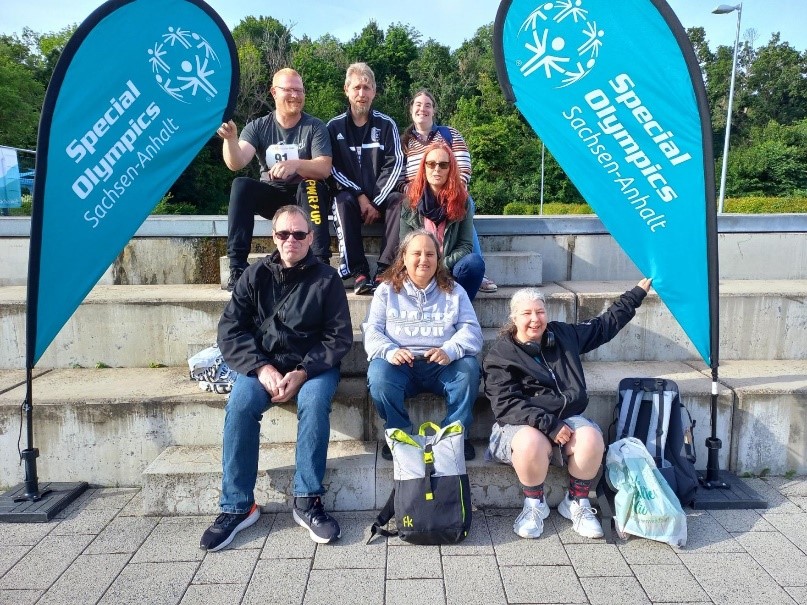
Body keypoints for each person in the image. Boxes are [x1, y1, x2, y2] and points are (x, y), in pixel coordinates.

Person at [200, 205, 353, 551]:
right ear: (274, 236)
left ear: (311, 238)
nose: (292, 240)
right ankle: (237, 506)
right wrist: (260, 368)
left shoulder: (326, 279)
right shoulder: (255, 276)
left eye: (300, 234)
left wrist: (302, 372)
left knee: (314, 403)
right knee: (239, 405)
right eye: (284, 234)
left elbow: (338, 336)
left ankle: (306, 499)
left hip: (313, 367)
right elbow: (230, 330)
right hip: (263, 366)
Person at [483, 279, 652, 539]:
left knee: (591, 438)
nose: (535, 319)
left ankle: (576, 502)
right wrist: (548, 425)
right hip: (519, 425)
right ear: (514, 318)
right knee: (532, 443)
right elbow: (506, 404)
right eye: (526, 313)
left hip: (566, 417)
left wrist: (635, 295)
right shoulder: (501, 354)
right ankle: (534, 505)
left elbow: (603, 327)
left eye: (540, 312)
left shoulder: (562, 335)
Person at [363, 229, 483, 461]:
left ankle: (452, 438)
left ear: (438, 259)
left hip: (441, 367)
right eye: (416, 253)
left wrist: (450, 350)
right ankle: (400, 434)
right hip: (402, 367)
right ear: (404, 258)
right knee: (378, 373)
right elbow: (372, 331)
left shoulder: (454, 290)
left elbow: (472, 331)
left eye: (430, 254)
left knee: (469, 368)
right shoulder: (386, 291)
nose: (423, 259)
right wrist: (390, 351)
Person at [217, 68, 332, 291]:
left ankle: (319, 262)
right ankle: (237, 267)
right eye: (289, 90)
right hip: (273, 196)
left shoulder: (315, 127)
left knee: (311, 186)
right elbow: (236, 162)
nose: (295, 96)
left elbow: (324, 168)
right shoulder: (258, 126)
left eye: (299, 90)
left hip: (305, 197)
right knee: (241, 184)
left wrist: (296, 164)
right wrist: (231, 139)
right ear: (274, 92)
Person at [401, 89, 497, 294]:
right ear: (411, 110)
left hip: (452, 191)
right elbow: (401, 174)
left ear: (434, 110)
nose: (422, 109)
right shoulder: (405, 142)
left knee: (463, 205)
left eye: (427, 105)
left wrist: (451, 191)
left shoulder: (449, 134)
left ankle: (478, 275)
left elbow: (463, 165)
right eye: (418, 104)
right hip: (419, 197)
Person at [327, 62, 405, 295]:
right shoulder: (333, 127)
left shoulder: (387, 124)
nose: (362, 94)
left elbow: (395, 163)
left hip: (381, 196)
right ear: (347, 90)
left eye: (367, 88)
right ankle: (359, 271)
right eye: (357, 88)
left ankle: (384, 270)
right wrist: (360, 197)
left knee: (401, 200)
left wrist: (376, 201)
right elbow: (331, 168)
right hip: (351, 198)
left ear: (374, 92)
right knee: (341, 201)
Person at [400, 142, 485, 300]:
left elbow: (465, 245)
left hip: (450, 268)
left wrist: (441, 265)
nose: (436, 169)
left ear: (450, 169)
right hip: (421, 265)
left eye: (443, 165)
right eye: (431, 164)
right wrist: (427, 264)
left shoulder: (463, 201)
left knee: (474, 263)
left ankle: (460, 310)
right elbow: (405, 245)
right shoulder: (410, 202)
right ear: (424, 168)